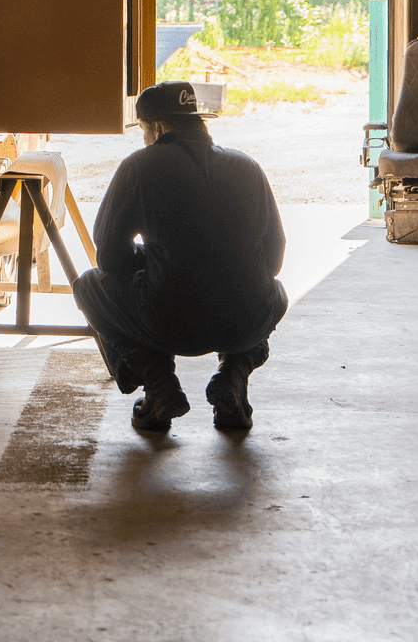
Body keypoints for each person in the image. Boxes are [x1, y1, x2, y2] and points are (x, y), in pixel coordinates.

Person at [71, 80, 288, 434]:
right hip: (244, 324)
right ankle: (233, 377)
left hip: (170, 323)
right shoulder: (247, 166)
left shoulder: (139, 166)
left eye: (142, 130)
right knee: (272, 293)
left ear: (155, 127)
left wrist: (151, 260)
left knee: (90, 286)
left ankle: (159, 385)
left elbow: (109, 258)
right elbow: (274, 260)